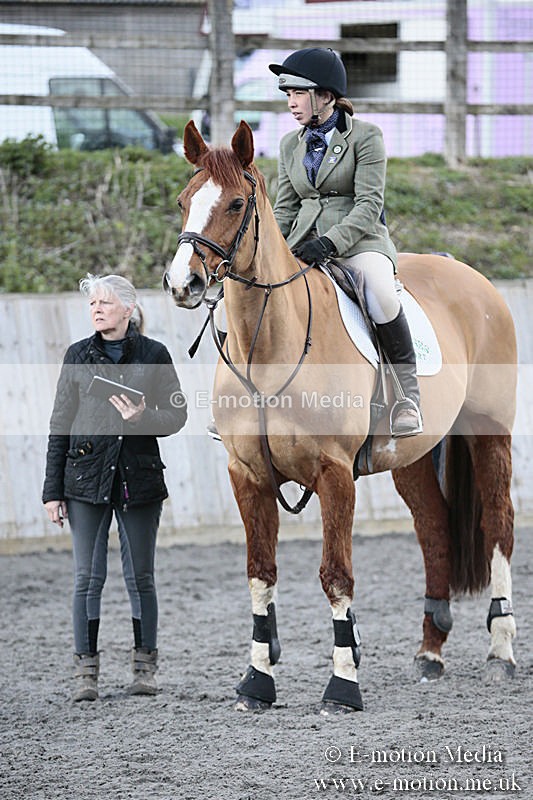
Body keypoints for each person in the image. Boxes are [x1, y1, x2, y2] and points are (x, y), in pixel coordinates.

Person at [43, 274, 187, 701]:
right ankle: (86, 675)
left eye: (105, 302)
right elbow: (59, 426)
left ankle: (145, 670)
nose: (97, 309)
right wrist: (52, 491)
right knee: (87, 579)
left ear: (128, 307)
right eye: (92, 304)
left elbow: (177, 416)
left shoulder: (154, 355)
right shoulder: (77, 355)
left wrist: (144, 419)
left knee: (141, 577)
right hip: (84, 481)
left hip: (138, 481)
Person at [269, 48, 423, 437]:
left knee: (382, 294)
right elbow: (284, 209)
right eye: (287, 94)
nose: (291, 103)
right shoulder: (290, 145)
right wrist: (272, 252)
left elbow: (370, 204)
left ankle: (407, 396)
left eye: (299, 93)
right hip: (302, 244)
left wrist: (331, 243)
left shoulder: (366, 137)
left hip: (359, 243)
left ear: (326, 96)